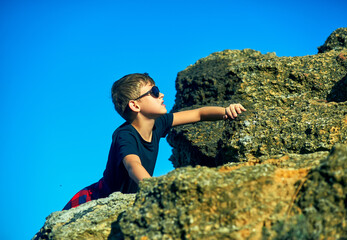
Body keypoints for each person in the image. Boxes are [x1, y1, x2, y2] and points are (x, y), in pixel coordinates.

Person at [63, 73, 246, 210]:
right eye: (154, 92)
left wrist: (225, 111)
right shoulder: (125, 135)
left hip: (128, 199)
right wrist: (155, 188)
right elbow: (132, 164)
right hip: (94, 200)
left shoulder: (159, 124)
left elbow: (198, 114)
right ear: (135, 105)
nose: (162, 94)